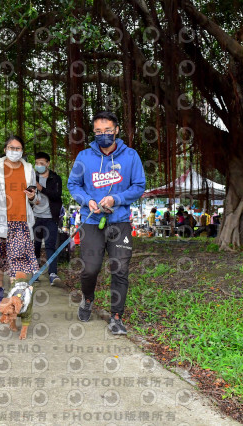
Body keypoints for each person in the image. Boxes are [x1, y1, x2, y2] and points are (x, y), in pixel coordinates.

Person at [67, 111, 146, 335]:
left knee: (119, 269)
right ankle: (88, 299)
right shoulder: (84, 157)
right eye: (98, 132)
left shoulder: (130, 156)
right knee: (90, 269)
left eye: (108, 131)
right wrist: (88, 200)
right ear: (94, 133)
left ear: (117, 130)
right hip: (92, 221)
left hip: (119, 222)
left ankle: (116, 317)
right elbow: (73, 185)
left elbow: (139, 186)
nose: (104, 135)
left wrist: (116, 199)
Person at [0, 135, 39, 304]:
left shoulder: (28, 169)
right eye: (11, 148)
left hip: (21, 221)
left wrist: (32, 196)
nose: (14, 151)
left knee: (18, 262)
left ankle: (15, 294)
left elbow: (33, 195)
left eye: (18, 148)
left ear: (22, 151)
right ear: (5, 149)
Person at [31, 151, 63, 286]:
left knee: (51, 245)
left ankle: (53, 273)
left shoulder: (55, 179)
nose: (39, 166)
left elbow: (56, 196)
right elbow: (26, 194)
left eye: (41, 163)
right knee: (35, 246)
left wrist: (41, 189)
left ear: (48, 164)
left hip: (51, 217)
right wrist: (32, 199)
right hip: (35, 217)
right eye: (37, 163)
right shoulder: (32, 178)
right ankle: (35, 272)